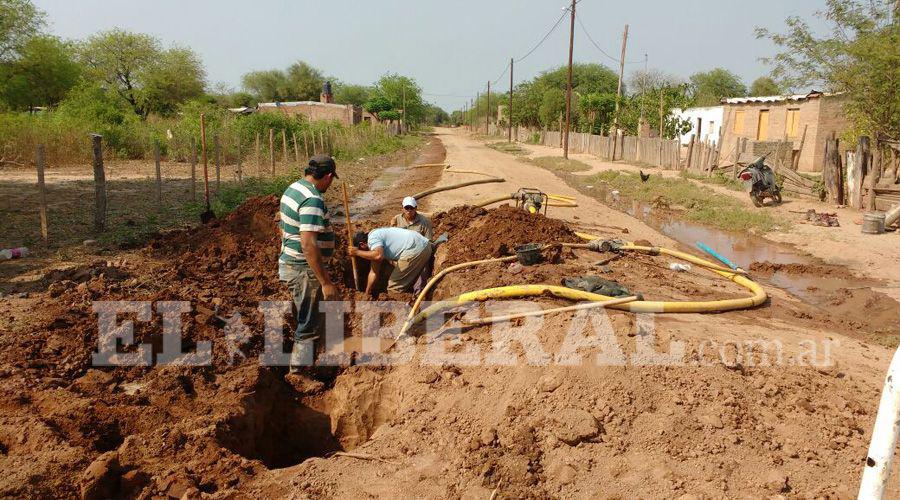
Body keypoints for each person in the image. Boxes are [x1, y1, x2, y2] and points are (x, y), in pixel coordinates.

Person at [278, 154, 339, 369]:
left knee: (304, 318)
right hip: (304, 270)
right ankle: (300, 372)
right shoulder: (312, 199)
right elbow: (308, 244)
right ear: (328, 176)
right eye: (332, 180)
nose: (330, 185)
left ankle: (306, 363)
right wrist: (325, 282)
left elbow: (285, 228)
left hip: (292, 264)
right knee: (309, 324)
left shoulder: (294, 188)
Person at [349, 227, 432, 294]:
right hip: (425, 246)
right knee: (407, 280)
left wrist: (357, 252)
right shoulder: (377, 243)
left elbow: (378, 256)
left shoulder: (373, 238)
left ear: (362, 244)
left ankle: (400, 311)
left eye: (361, 249)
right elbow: (373, 273)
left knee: (393, 288)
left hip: (415, 249)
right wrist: (367, 294)